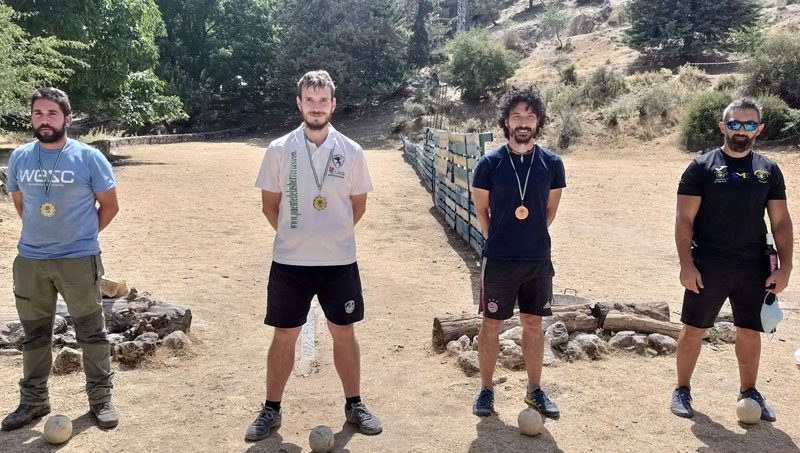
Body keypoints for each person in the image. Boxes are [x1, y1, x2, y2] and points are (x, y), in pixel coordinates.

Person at [246, 70, 382, 441]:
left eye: (323, 101)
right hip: (290, 263)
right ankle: (271, 409)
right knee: (284, 335)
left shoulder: (351, 151)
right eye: (310, 100)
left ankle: (354, 404)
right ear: (299, 103)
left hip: (339, 263)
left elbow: (358, 206)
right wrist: (298, 236)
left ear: (333, 104)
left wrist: (329, 237)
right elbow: (269, 205)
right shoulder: (278, 149)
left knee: (344, 332)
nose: (317, 107)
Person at [2, 87, 120, 430]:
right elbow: (21, 203)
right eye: (38, 113)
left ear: (67, 119)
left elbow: (110, 206)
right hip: (31, 261)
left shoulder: (88, 158)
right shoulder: (21, 157)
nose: (44, 120)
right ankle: (33, 401)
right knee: (34, 334)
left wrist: (82, 237)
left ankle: (100, 401)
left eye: (52, 114)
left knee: (91, 333)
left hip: (78, 260)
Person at [671, 98, 793, 420]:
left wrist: (786, 266)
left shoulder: (768, 170)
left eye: (749, 124)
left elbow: (780, 221)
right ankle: (682, 389)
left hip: (754, 266)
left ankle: (749, 391)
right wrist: (687, 264)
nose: (741, 130)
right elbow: (684, 220)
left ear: (759, 129)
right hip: (708, 263)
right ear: (723, 126)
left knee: (750, 331)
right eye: (735, 123)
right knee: (694, 328)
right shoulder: (701, 167)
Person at [470, 86, 566, 419]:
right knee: (491, 325)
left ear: (538, 121)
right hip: (499, 259)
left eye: (529, 116)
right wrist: (498, 236)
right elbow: (481, 211)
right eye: (516, 116)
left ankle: (535, 390)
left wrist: (531, 233)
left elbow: (550, 211)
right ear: (506, 121)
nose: (523, 122)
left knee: (534, 324)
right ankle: (486, 390)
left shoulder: (552, 163)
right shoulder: (489, 163)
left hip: (537, 259)